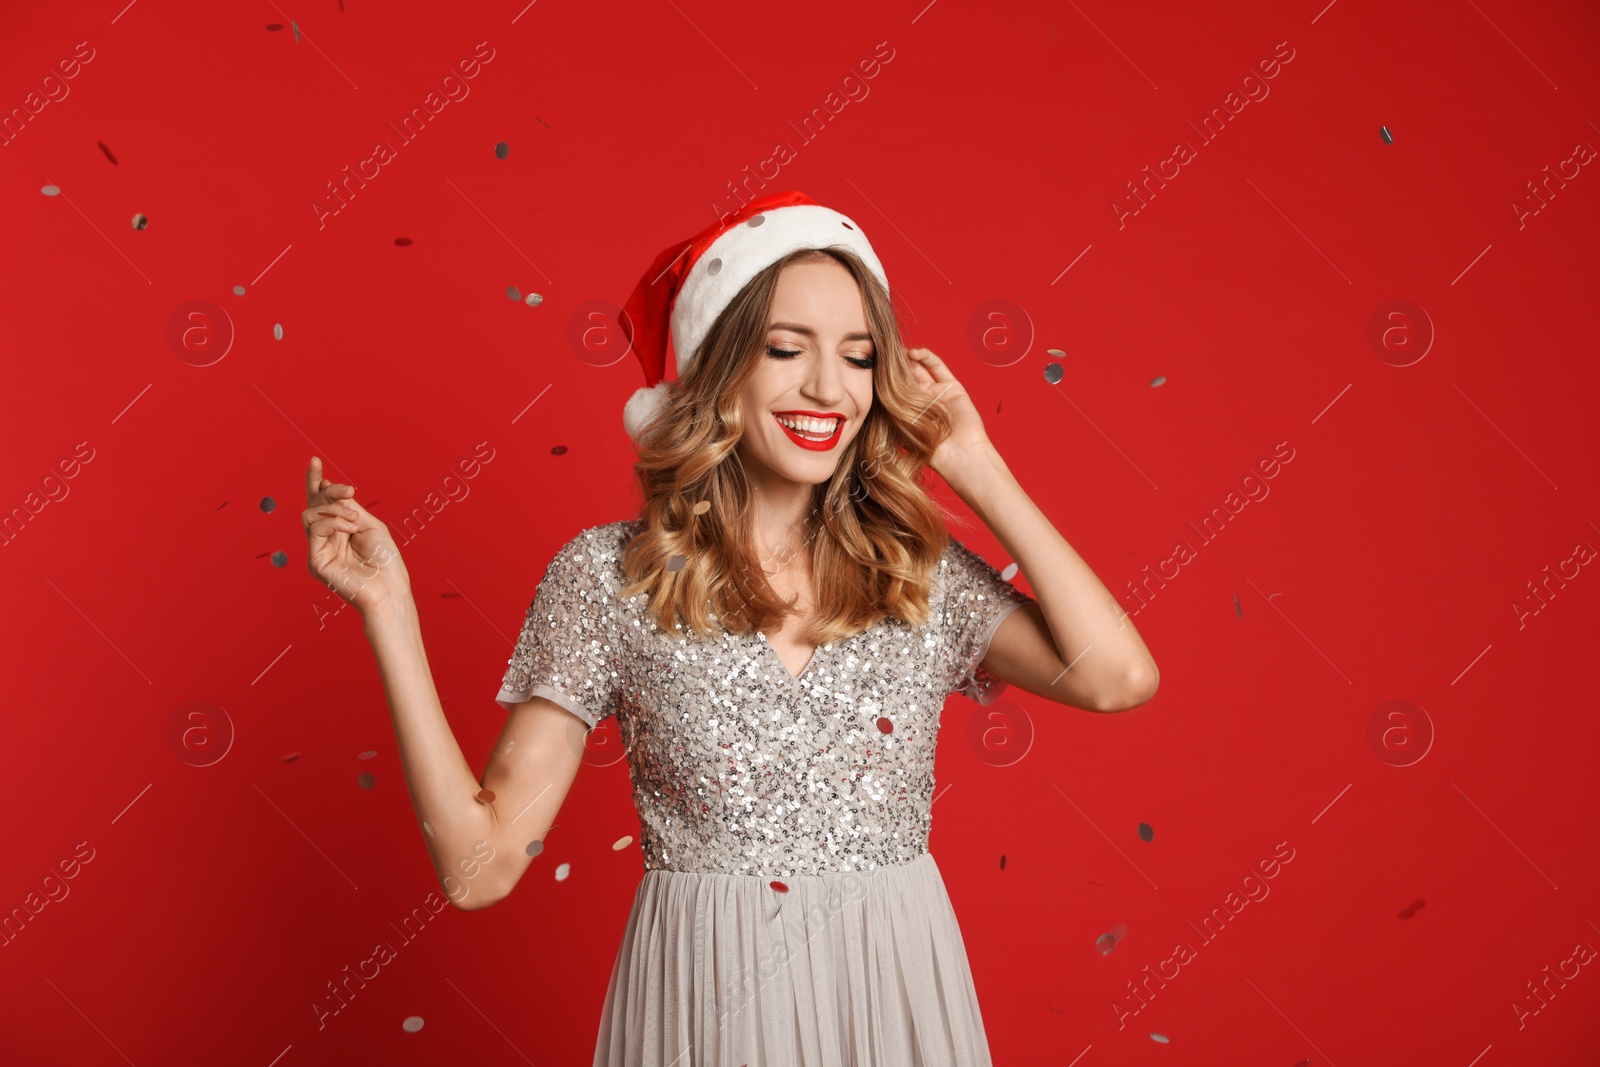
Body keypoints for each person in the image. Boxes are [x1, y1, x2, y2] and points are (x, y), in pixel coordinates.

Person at [302, 189, 1159, 1065]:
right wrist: (391, 613)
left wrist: (978, 468)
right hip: (705, 1017)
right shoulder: (609, 577)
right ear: (717, 369)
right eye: (785, 348)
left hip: (895, 1004)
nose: (828, 386)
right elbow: (480, 868)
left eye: (860, 357)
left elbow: (1117, 676)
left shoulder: (913, 575)